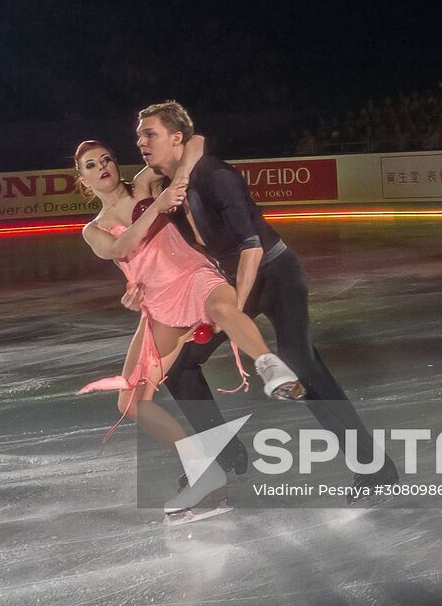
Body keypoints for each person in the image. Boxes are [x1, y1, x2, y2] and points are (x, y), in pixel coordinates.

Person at [136, 100, 399, 495]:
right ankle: (226, 455)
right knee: (179, 367)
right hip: (229, 277)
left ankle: (376, 470)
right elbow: (144, 185)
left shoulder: (217, 176)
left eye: (149, 133)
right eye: (138, 135)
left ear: (176, 137)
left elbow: (251, 245)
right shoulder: (166, 185)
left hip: (274, 273)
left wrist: (234, 309)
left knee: (300, 363)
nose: (140, 141)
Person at [71, 138, 303, 515]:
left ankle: (269, 366)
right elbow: (120, 249)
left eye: (107, 159)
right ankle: (205, 470)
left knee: (224, 306)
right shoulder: (94, 230)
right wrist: (157, 211)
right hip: (160, 304)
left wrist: (172, 179)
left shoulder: (144, 185)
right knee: (130, 401)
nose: (102, 168)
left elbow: (195, 143)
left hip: (193, 275)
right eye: (91, 166)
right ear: (83, 180)